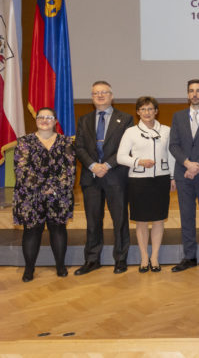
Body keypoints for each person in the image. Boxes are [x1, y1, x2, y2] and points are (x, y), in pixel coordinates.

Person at [73, 81, 134, 276]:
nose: (100, 96)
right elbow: (79, 147)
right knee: (92, 221)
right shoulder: (84, 120)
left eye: (104, 92)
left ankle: (120, 259)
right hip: (91, 178)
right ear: (91, 97)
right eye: (95, 93)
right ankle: (92, 260)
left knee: (120, 220)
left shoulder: (125, 119)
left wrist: (106, 165)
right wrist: (93, 165)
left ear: (111, 96)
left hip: (115, 176)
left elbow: (126, 148)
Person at [14, 107, 75, 282]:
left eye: (49, 117)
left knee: (58, 229)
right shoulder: (24, 142)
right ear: (36, 120)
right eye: (41, 117)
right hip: (30, 196)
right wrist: (43, 187)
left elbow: (69, 170)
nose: (45, 120)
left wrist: (53, 187)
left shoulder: (66, 142)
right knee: (32, 231)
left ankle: (60, 266)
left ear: (55, 121)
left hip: (59, 195)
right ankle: (29, 269)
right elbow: (21, 169)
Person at [116, 97, 176, 273]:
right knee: (141, 220)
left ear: (156, 111)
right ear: (138, 112)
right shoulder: (130, 132)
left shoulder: (166, 131)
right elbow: (120, 157)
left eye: (150, 109)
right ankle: (143, 257)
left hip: (161, 179)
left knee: (159, 219)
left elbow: (171, 156)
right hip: (138, 180)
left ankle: (155, 256)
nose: (147, 112)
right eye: (143, 109)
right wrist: (139, 161)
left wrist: (173, 177)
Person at [169, 79, 199, 272]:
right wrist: (187, 163)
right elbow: (173, 145)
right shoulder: (178, 116)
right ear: (188, 94)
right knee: (186, 215)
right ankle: (189, 256)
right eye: (191, 91)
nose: (195, 94)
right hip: (184, 174)